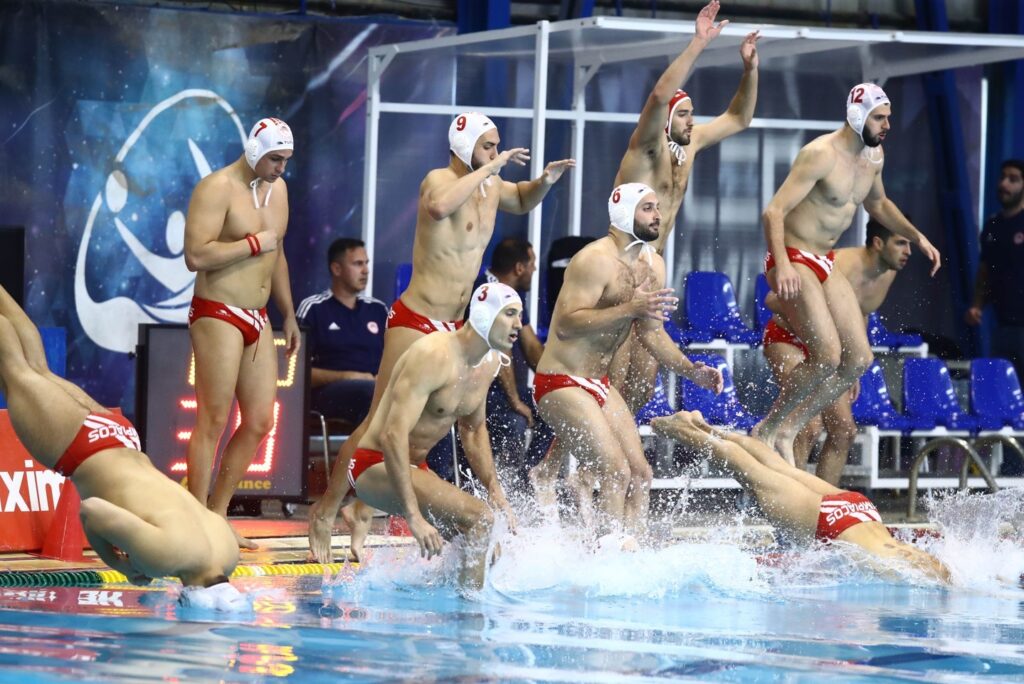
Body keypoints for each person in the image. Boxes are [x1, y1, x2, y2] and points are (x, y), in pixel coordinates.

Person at [307, 113, 574, 563]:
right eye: (488, 147)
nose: (495, 155)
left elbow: (524, 199)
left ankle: (362, 508)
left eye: (496, 147)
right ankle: (326, 511)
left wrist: (544, 181)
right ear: (465, 147)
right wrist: (489, 169)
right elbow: (437, 207)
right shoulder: (439, 179)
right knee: (379, 419)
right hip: (417, 318)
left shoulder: (491, 187)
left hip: (455, 325)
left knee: (424, 430)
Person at [0, 292, 245, 608]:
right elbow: (92, 511)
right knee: (17, 370)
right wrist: (121, 566)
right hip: (81, 449)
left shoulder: (228, 551)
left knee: (36, 370)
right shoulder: (166, 558)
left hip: (123, 437)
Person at [756, 83, 941, 464]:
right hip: (793, 255)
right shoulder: (820, 155)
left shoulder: (873, 158)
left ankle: (790, 427)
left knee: (858, 358)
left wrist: (917, 236)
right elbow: (773, 212)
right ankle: (769, 428)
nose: (887, 124)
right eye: (879, 117)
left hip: (824, 261)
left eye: (888, 117)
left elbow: (879, 203)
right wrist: (784, 264)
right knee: (827, 354)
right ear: (857, 115)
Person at [530, 184, 723, 541]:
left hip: (598, 384)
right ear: (623, 213)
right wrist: (629, 308)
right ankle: (604, 559)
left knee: (640, 474)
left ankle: (627, 554)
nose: (658, 216)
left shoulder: (653, 265)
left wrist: (691, 369)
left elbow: (651, 334)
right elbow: (568, 324)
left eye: (658, 208)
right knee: (614, 470)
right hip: (560, 381)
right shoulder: (593, 260)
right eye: (648, 208)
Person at [609, 1, 760, 414]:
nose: (693, 122)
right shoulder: (646, 147)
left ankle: (591, 463)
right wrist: (698, 43)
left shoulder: (688, 146)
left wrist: (749, 70)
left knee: (643, 380)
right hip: (621, 268)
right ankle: (577, 469)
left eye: (693, 114)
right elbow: (660, 94)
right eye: (685, 115)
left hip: (653, 268)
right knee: (612, 376)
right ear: (665, 120)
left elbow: (739, 118)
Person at [350, 283, 520, 590]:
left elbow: (473, 428)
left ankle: (442, 598)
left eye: (518, 315)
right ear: (485, 315)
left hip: (417, 469)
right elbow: (392, 434)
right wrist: (413, 515)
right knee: (480, 519)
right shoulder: (433, 354)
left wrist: (494, 488)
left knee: (485, 549)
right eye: (510, 314)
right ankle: (470, 618)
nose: (518, 325)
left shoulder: (490, 362)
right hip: (373, 464)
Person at [650, 410, 951, 583]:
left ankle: (702, 426)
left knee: (776, 467)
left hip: (861, 512)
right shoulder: (921, 577)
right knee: (752, 473)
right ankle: (680, 429)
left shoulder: (933, 565)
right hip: (833, 525)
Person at [183, 117, 301, 550]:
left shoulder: (280, 190)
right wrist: (253, 244)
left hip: (259, 315)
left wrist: (287, 313)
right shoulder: (217, 188)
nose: (280, 168)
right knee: (213, 419)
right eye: (274, 159)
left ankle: (218, 514)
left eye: (286, 160)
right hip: (217, 311)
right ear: (254, 150)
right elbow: (195, 255)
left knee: (259, 421)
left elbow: (279, 251)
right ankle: (195, 521)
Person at [762, 218, 913, 483]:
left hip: (831, 355)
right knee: (808, 425)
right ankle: (794, 502)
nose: (908, 252)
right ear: (878, 243)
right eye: (901, 243)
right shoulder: (839, 264)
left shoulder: (886, 274)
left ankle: (823, 505)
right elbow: (773, 300)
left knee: (844, 430)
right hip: (788, 339)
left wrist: (851, 369)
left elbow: (858, 317)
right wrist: (814, 325)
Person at [474, 238, 553, 496]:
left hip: (507, 391)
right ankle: (501, 490)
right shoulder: (487, 292)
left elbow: (530, 346)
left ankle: (528, 477)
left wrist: (557, 382)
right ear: (519, 267)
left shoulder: (512, 294)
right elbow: (500, 351)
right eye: (532, 265)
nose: (533, 271)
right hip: (480, 391)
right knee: (514, 421)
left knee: (555, 410)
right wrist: (515, 401)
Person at [297, 238, 388, 426]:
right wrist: (347, 376)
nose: (366, 270)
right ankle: (369, 454)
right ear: (336, 269)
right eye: (357, 264)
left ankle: (426, 455)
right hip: (329, 393)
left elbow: (395, 357)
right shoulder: (314, 308)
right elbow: (296, 372)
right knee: (370, 392)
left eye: (366, 263)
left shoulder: (378, 310)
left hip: (376, 387)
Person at [966, 159, 1024, 380]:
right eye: (1003, 177)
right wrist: (977, 305)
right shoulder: (993, 225)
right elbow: (985, 270)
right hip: (1002, 323)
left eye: (1013, 179)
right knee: (1002, 386)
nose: (1005, 184)